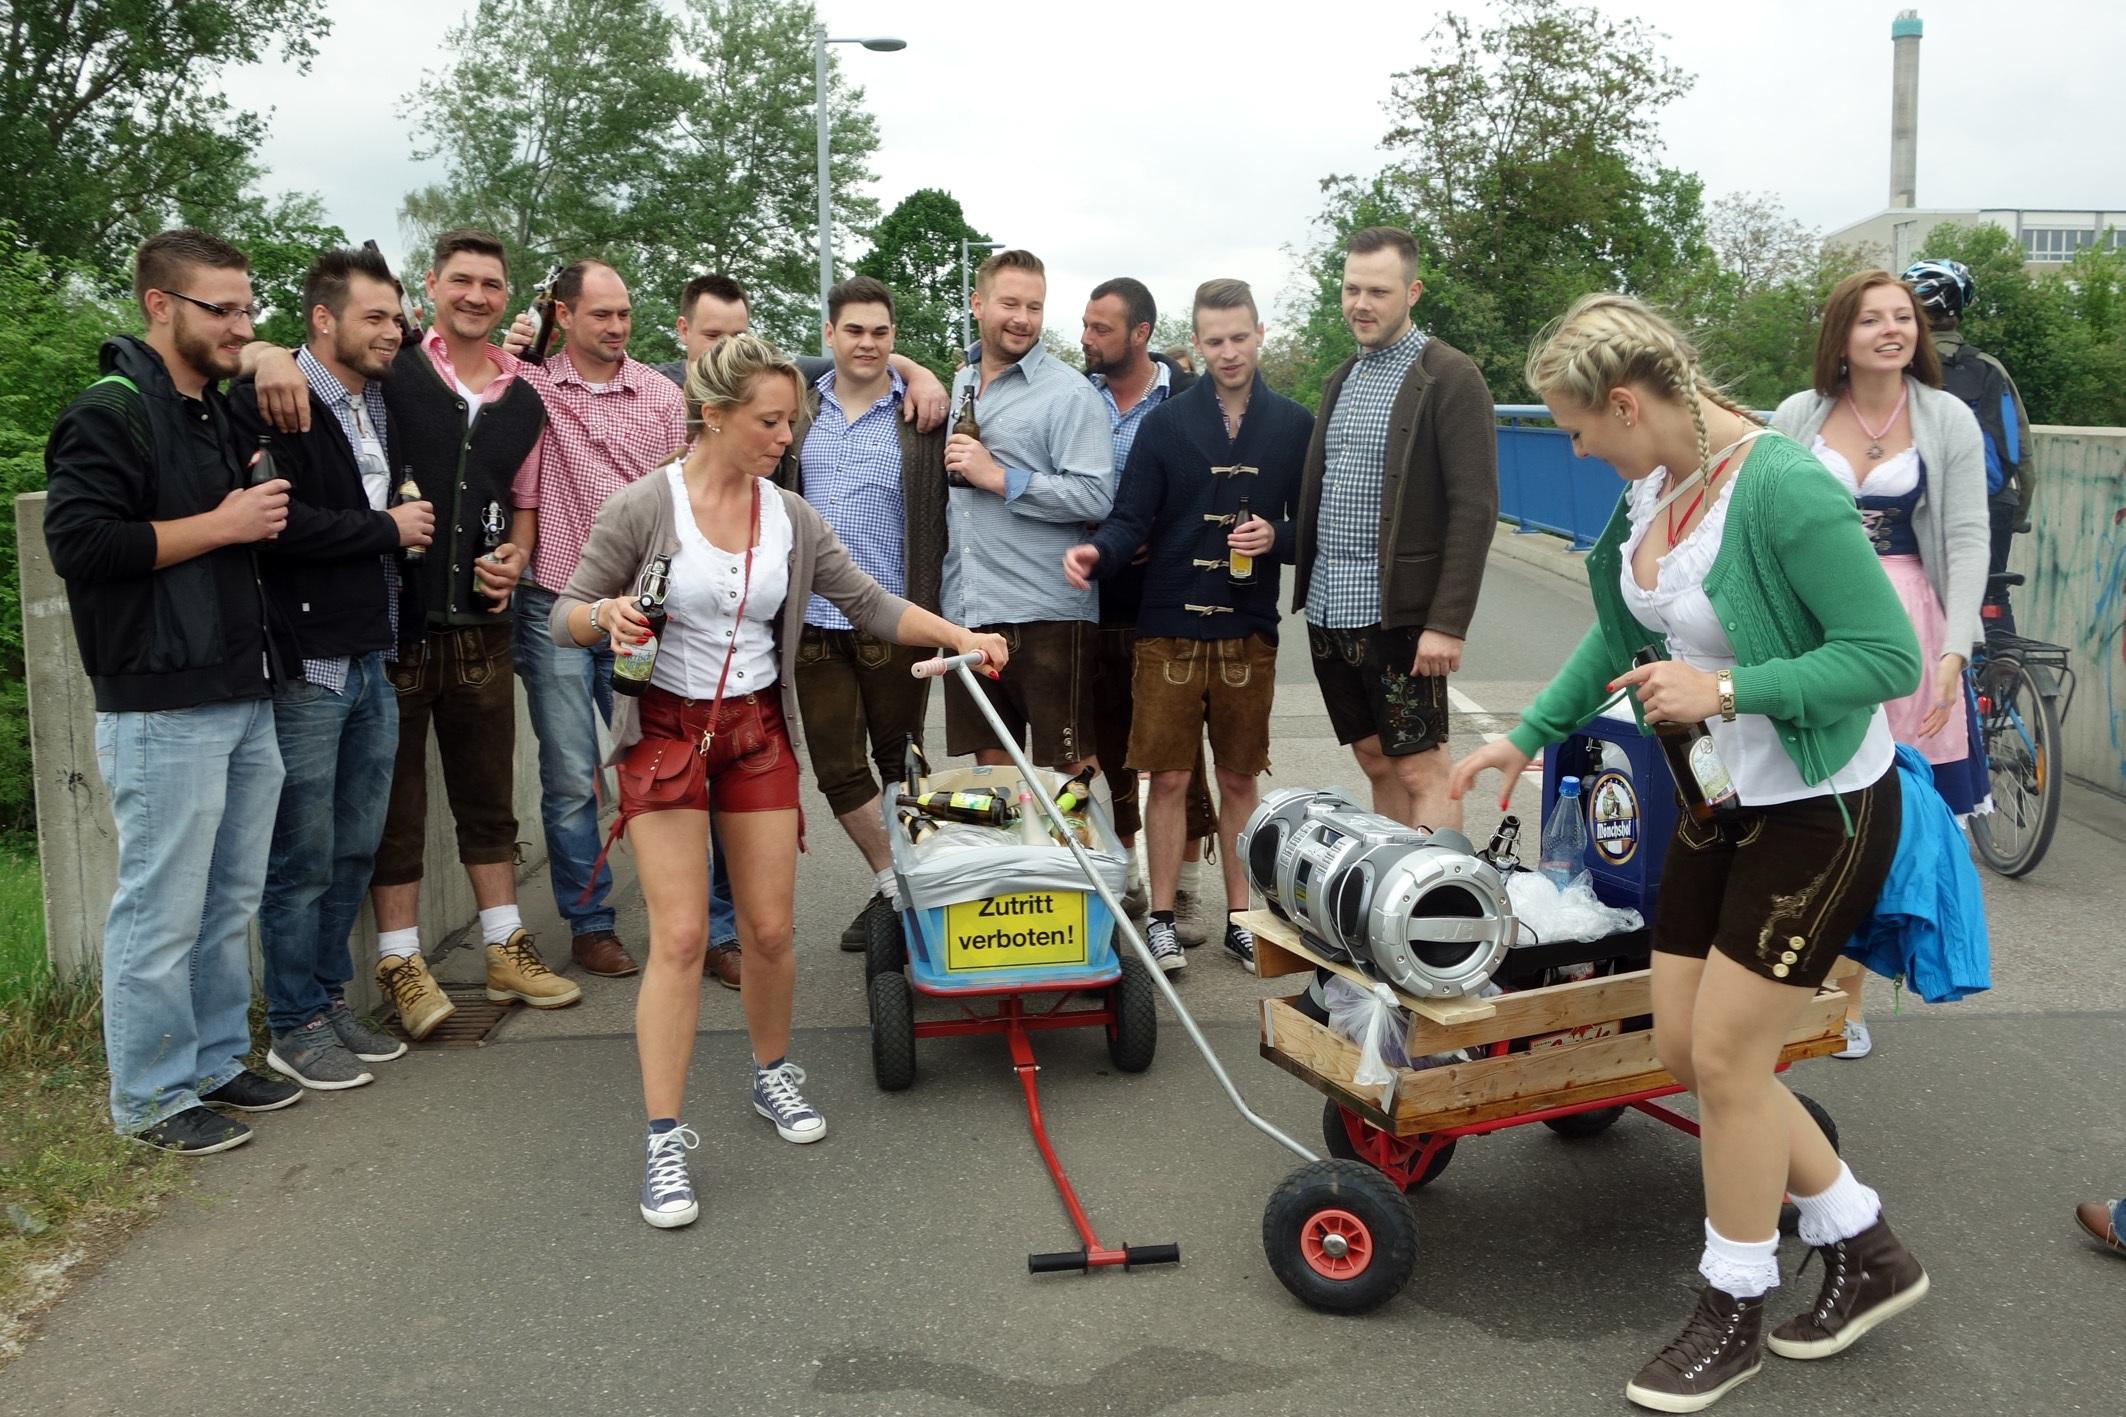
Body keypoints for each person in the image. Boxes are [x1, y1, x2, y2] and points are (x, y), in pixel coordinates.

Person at [1452, 294, 1928, 1412]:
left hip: (1821, 806)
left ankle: (1733, 1304)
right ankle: (1864, 1244)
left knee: (1723, 1059)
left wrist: (1724, 686)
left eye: (1575, 427)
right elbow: (1618, 637)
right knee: (1681, 1042)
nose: (1568, 447)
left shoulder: (1783, 485)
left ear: (1626, 401)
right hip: (1718, 800)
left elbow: (1884, 655)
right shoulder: (1647, 487)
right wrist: (1522, 736)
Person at [547, 334, 1006, 1228]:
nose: (783, 435)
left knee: (766, 928)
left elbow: (867, 602)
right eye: (768, 420)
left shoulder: (789, 516)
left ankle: (770, 1072)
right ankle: (663, 1136)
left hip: (756, 730)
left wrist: (960, 637)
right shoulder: (645, 507)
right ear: (712, 414)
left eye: (790, 420)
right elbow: (565, 614)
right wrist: (602, 616)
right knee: (681, 936)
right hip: (665, 735)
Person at [245, 228, 564, 1039]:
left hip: (481, 628)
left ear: (507, 293)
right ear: (433, 285)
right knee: (391, 808)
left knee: (488, 796)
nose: (478, 296)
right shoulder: (395, 369)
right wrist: (269, 355)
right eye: (462, 280)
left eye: (492, 284)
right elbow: (316, 358)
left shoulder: (525, 395)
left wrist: (515, 558)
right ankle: (400, 960)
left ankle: (503, 943)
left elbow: (520, 503)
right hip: (395, 625)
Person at [44, 229, 302, 1152]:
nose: (240, 324)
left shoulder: (214, 411)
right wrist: (223, 523)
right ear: (160, 305)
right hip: (159, 698)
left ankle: (216, 1058)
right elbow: (79, 546)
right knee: (162, 908)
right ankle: (151, 1096)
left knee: (229, 896)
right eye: (220, 309)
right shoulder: (108, 413)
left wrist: (267, 353)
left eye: (247, 307)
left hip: (241, 683)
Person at [230, 247, 435, 1089]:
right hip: (308, 663)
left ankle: (325, 998)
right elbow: (279, 526)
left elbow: (490, 356)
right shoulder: (274, 397)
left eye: (396, 318)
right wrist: (389, 529)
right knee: (302, 853)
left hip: (372, 652)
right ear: (323, 320)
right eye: (374, 317)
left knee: (354, 845)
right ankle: (291, 1021)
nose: (392, 331)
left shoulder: (376, 399)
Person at [1771, 268, 1989, 1063]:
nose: (1892, 330)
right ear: (1843, 334)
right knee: (1814, 798)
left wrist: (1955, 651)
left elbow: (1967, 539)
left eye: (1904, 318)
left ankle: (1848, 995)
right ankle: (1796, 975)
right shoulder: (1799, 415)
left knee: (1883, 809)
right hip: (1815, 626)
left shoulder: (1946, 417)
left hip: (1908, 623)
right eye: (1873, 319)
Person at [1065, 278, 1312, 974]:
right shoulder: (1166, 425)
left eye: (1239, 337)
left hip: (1248, 628)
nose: (1228, 352)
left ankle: (1242, 916)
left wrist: (1281, 536)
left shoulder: (1293, 424)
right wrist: (1098, 553)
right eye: (1214, 340)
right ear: (1195, 345)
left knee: (1238, 779)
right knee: (1167, 778)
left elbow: (1313, 525)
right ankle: (1165, 918)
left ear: (1260, 333)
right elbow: (1130, 517)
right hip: (1166, 624)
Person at [512, 260, 689, 981]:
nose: (617, 327)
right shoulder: (524, 387)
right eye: (600, 315)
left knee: (655, 758)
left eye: (624, 314)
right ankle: (590, 923)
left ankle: (687, 916)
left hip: (640, 615)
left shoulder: (660, 393)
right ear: (561, 314)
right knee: (569, 773)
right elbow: (437, 361)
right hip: (554, 603)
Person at [1293, 226, 1496, 833]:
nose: (1361, 303)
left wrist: (1446, 623)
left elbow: (1475, 505)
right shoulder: (1341, 378)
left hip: (1402, 616)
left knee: (1422, 768)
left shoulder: (1450, 377)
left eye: (1378, 291)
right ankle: (1397, 897)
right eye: (1352, 289)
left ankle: (1441, 910)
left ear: (1413, 291)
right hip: (1333, 607)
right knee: (1376, 759)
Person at [777, 276, 947, 960]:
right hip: (812, 621)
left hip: (894, 616)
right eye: (854, 330)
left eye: (881, 332)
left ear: (893, 338)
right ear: (830, 335)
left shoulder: (919, 416)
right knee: (838, 771)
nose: (868, 343)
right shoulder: (798, 409)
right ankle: (895, 883)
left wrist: (920, 373)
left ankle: (915, 886)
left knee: (901, 763)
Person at [1078, 276, 1217, 932]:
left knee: (1176, 750)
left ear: (1140, 334)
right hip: (1095, 601)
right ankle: (1130, 876)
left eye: (1101, 328)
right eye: (1085, 325)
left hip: (1173, 598)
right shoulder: (1075, 396)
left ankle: (1185, 886)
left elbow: (1218, 493)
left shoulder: (1194, 400)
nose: (1087, 338)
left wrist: (1157, 534)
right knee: (1107, 742)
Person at [942, 249, 1114, 774]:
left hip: (1047, 614)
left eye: (1034, 307)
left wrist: (999, 478)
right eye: (1009, 303)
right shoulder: (960, 383)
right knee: (993, 775)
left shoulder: (1068, 392)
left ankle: (1086, 862)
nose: (1022, 318)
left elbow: (1095, 496)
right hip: (969, 611)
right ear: (977, 303)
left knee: (1070, 775)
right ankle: (1016, 864)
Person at [1902, 258, 2033, 632]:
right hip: (1993, 503)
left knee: (1920, 596)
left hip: (1924, 505)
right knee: (1991, 592)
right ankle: (2006, 676)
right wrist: (2016, 513)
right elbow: (2022, 456)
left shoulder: (1899, 368)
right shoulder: (1991, 368)